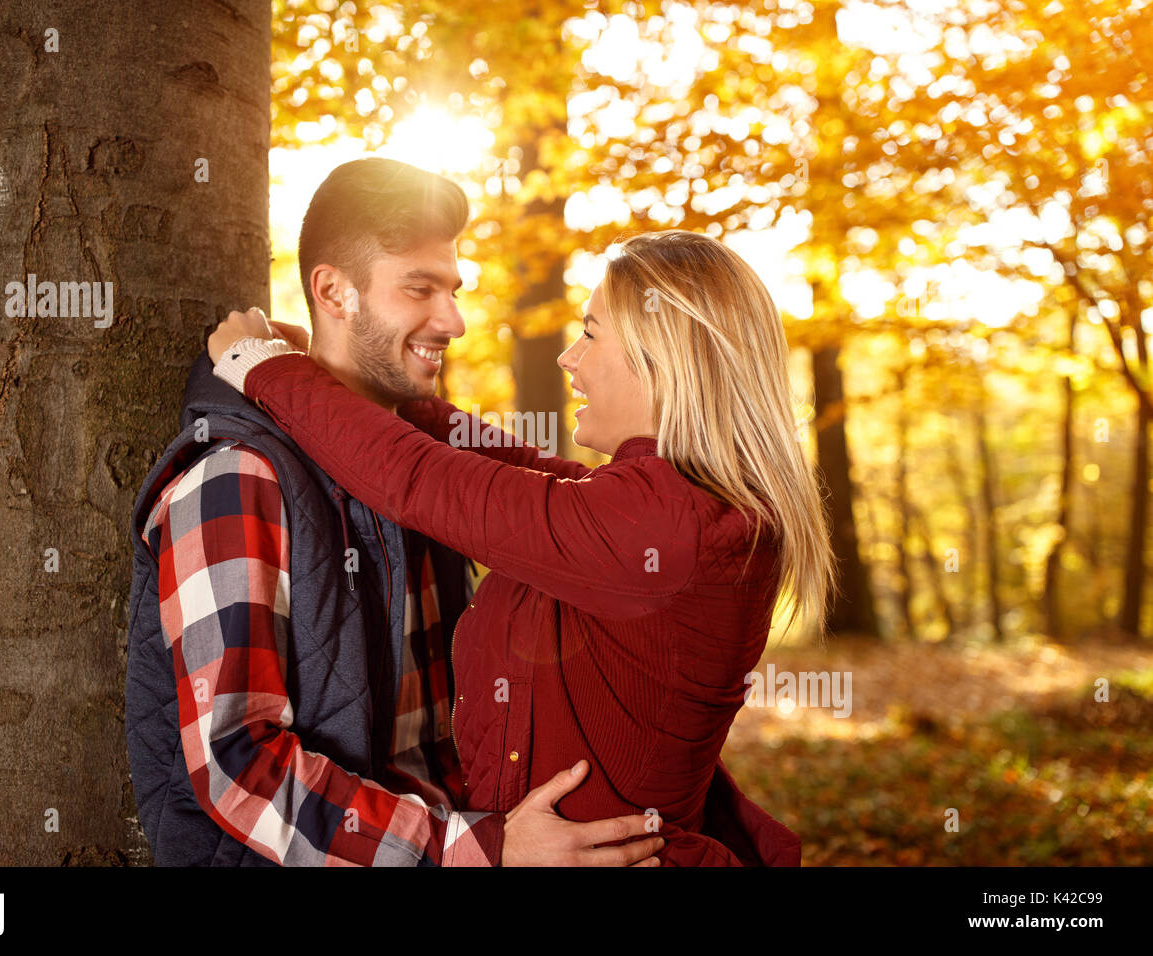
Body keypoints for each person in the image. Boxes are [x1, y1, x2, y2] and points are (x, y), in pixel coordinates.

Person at [209, 228, 833, 866]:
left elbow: (424, 482)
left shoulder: (663, 523)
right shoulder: (674, 500)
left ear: (663, 356)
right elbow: (513, 468)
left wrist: (264, 369)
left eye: (591, 332)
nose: (569, 357)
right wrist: (373, 388)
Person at [124, 157, 666, 866]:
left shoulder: (426, 471)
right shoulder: (236, 478)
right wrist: (479, 850)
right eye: (420, 289)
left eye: (453, 290)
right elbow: (239, 767)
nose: (455, 321)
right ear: (333, 291)